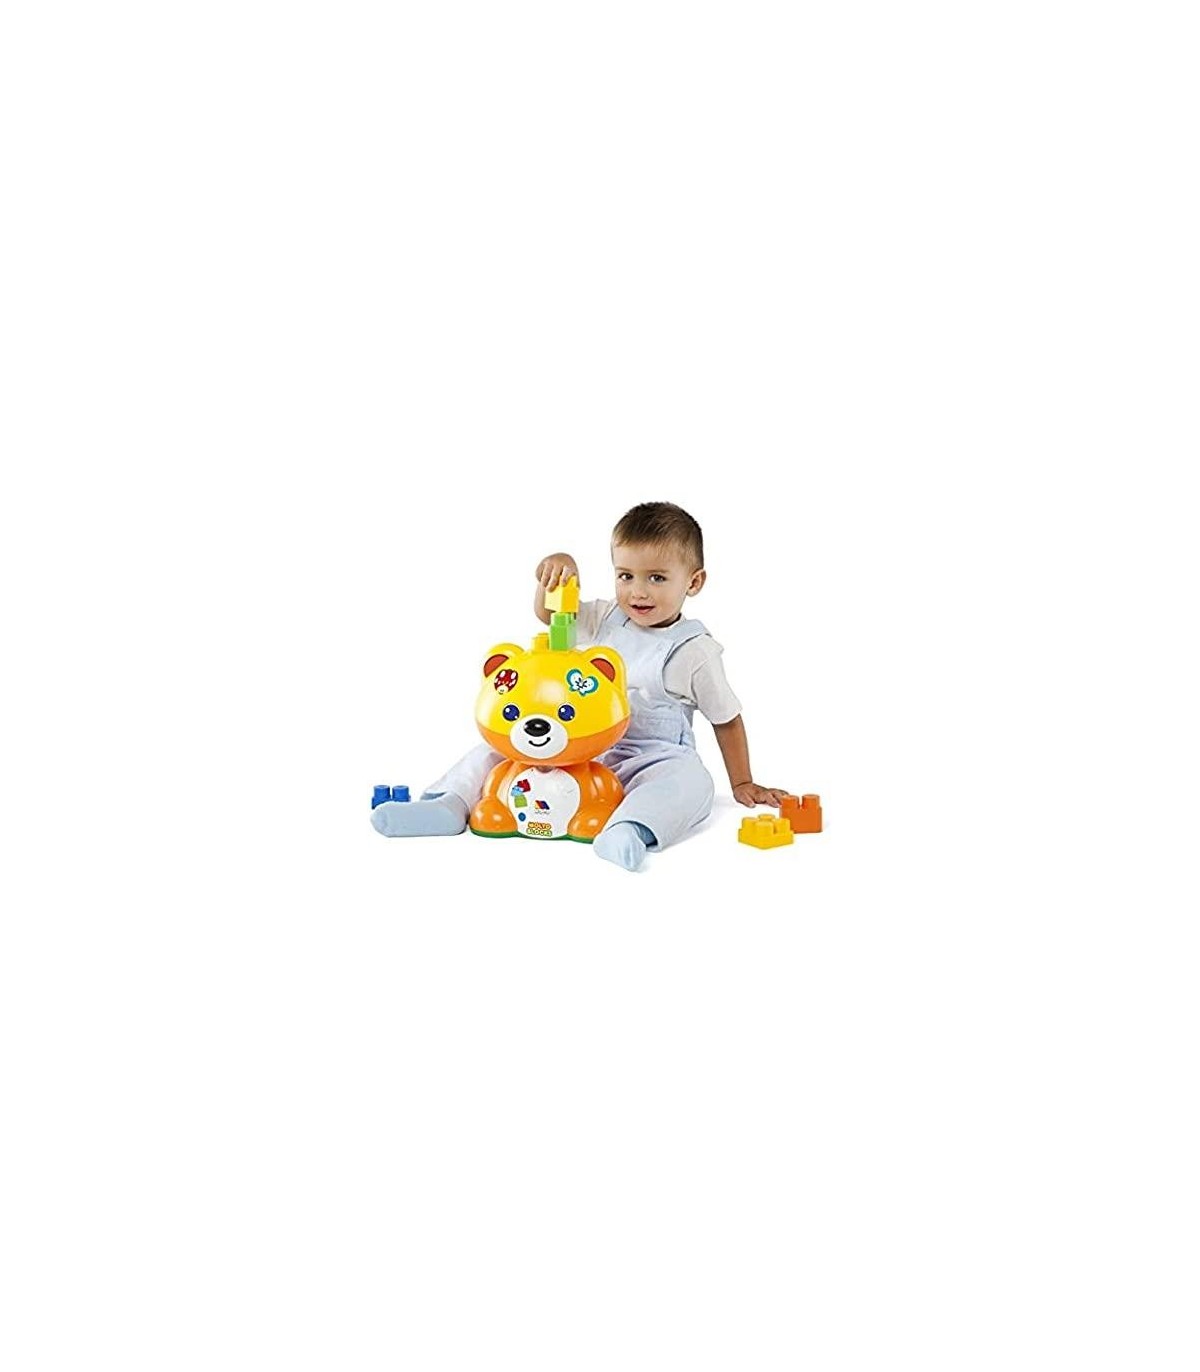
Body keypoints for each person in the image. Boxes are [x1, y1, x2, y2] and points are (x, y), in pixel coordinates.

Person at [372, 501, 790, 871]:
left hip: (652, 756)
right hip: (582, 748)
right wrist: (557, 571)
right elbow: (550, 615)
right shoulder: (607, 617)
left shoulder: (694, 651)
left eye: (657, 578)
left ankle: (630, 828)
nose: (638, 591)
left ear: (693, 582)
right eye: (625, 575)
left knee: (692, 781)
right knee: (498, 748)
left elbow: (726, 719)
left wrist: (742, 782)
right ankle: (448, 804)